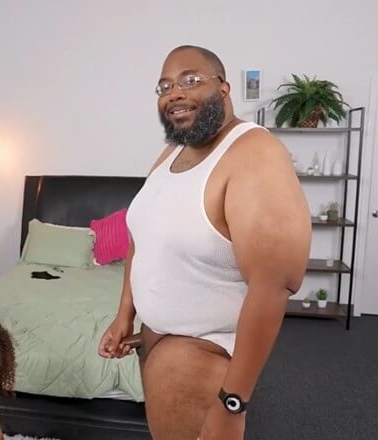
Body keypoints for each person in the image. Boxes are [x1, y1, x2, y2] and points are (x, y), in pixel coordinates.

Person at [97, 45, 311, 440]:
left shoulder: (254, 153)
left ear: (224, 88)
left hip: (200, 354)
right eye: (165, 86)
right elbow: (140, 239)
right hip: (156, 341)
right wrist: (124, 314)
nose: (174, 93)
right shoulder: (171, 154)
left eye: (190, 80)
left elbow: (274, 283)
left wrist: (232, 402)